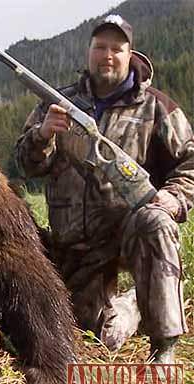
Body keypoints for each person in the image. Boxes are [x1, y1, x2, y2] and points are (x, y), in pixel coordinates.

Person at [15, 14, 194, 363]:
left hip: (130, 234)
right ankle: (133, 306)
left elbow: (190, 161)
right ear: (89, 52)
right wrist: (42, 135)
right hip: (76, 246)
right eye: (100, 47)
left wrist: (174, 197)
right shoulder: (57, 104)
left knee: (156, 223)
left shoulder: (156, 106)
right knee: (93, 337)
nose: (107, 55)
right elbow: (27, 166)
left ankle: (164, 347)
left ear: (131, 55)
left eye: (116, 48)